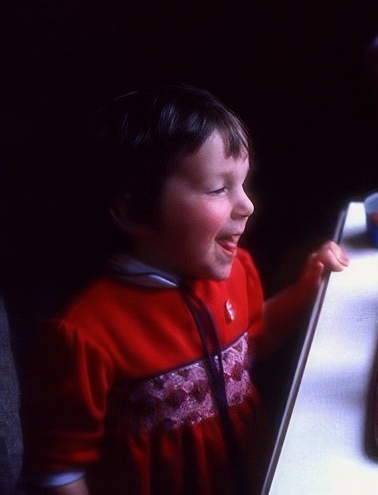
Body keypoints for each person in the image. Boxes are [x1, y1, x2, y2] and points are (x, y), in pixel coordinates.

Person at [19, 84, 350, 494]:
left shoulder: (236, 271)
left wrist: (307, 290)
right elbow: (60, 471)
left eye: (242, 184)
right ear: (134, 208)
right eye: (218, 188)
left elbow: (254, 342)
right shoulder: (82, 335)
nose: (246, 205)